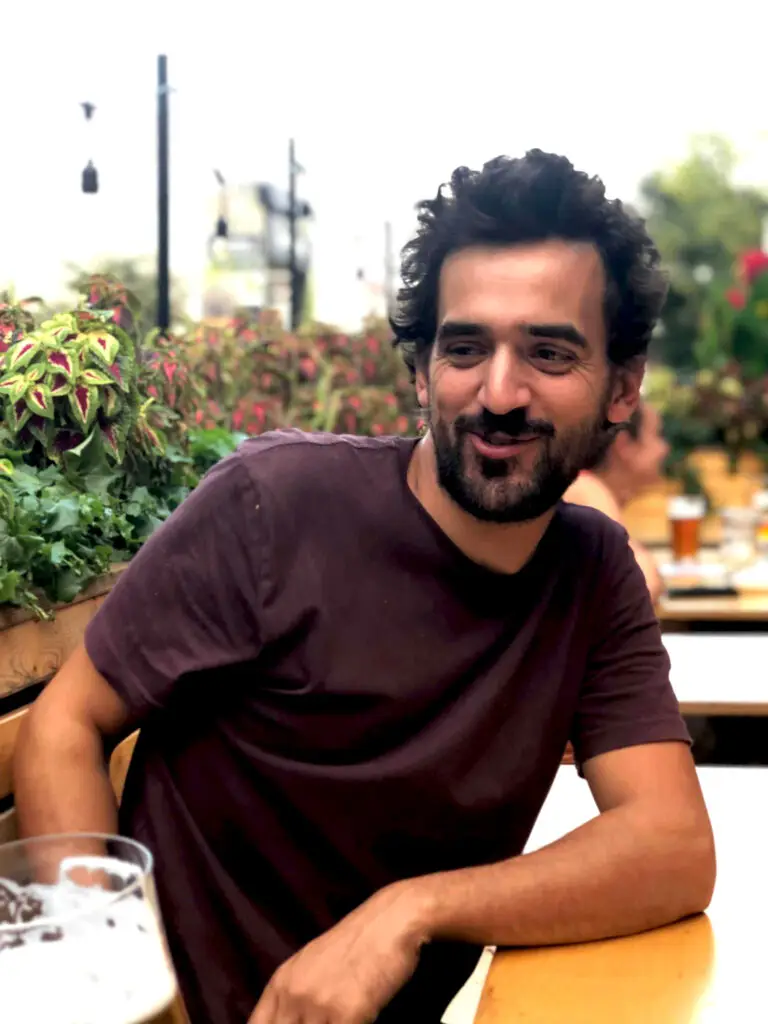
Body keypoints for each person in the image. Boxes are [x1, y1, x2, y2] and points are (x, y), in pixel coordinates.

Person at [14, 150, 715, 1024]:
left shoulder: (592, 571)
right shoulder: (276, 506)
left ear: (621, 387)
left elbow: (672, 847)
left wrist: (408, 912)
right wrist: (122, 993)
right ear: (421, 373)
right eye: (465, 348)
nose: (499, 393)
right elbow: (64, 727)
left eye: (548, 352)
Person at [564, 401, 669, 601]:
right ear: (624, 445)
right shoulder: (584, 487)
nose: (663, 449)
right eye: (656, 435)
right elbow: (639, 587)